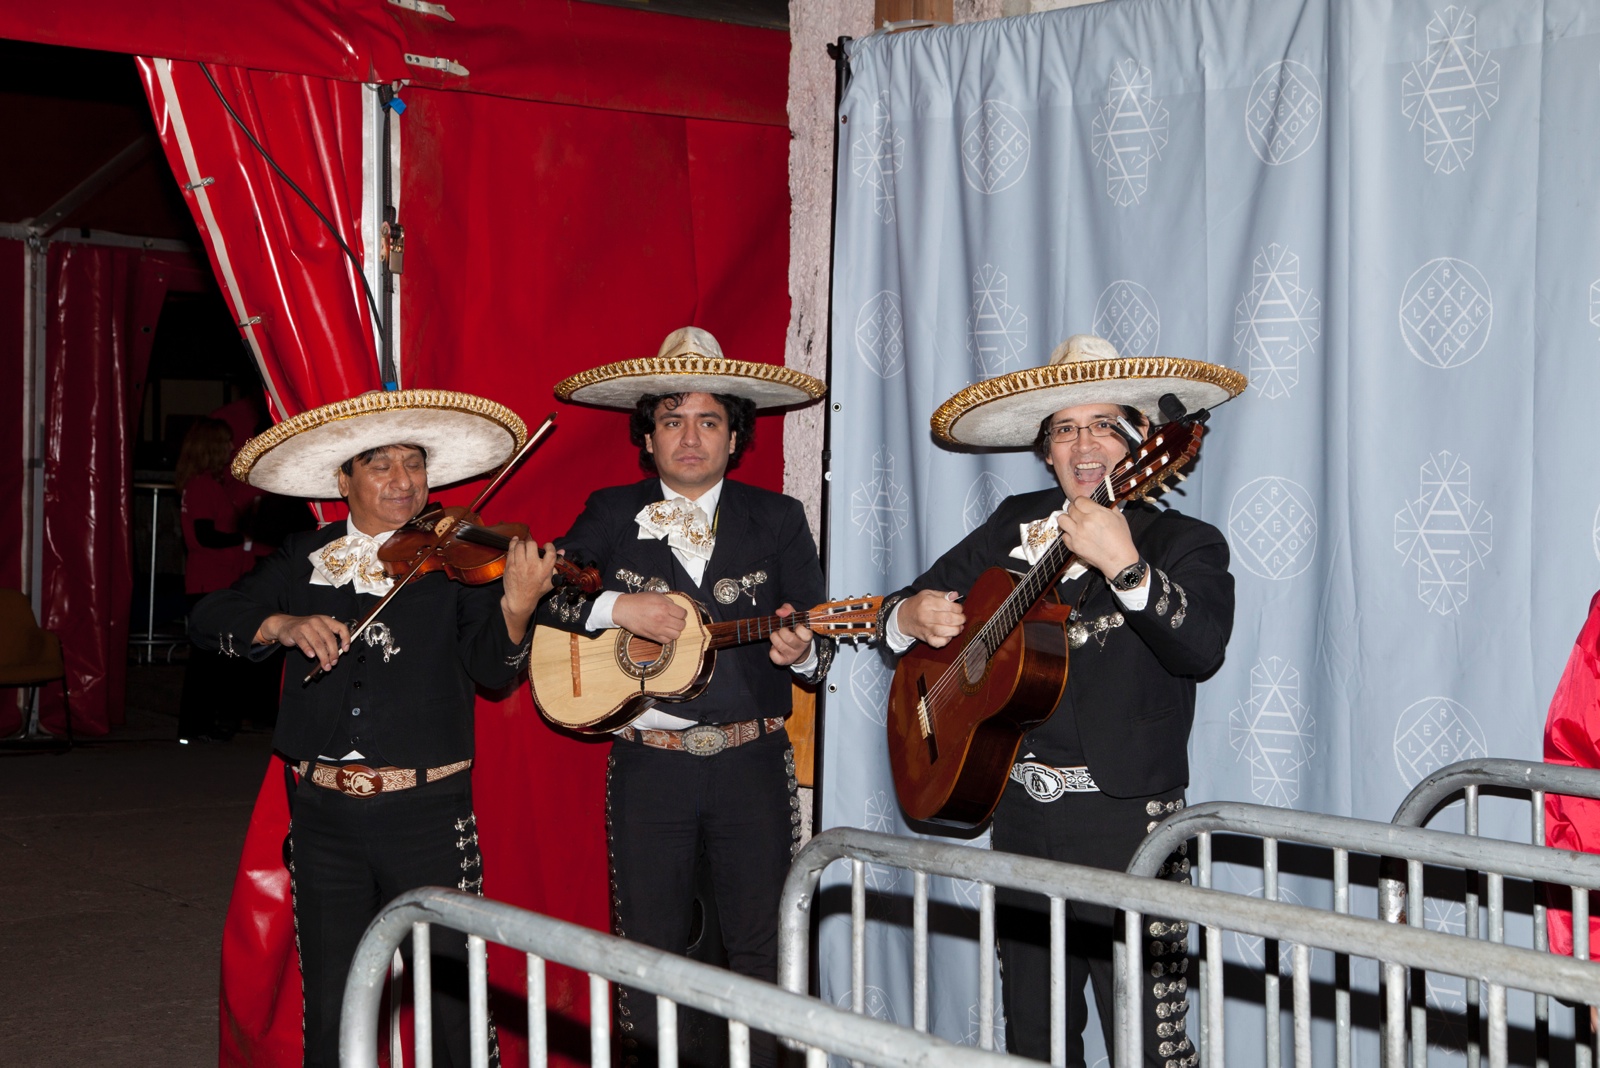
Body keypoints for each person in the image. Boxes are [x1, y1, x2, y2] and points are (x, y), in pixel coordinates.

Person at [878, 334, 1246, 1067]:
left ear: (1140, 442)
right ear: (1045, 451)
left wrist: (1128, 567)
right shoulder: (1013, 524)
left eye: (1105, 425)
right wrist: (907, 617)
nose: (1085, 444)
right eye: (1065, 429)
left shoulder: (1184, 541)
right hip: (1017, 813)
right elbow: (910, 605)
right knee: (1035, 1039)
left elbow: (1201, 648)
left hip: (1129, 825)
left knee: (1148, 1041)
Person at [190, 389, 558, 1068]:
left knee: (453, 1005)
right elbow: (210, 614)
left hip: (426, 811)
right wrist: (280, 623)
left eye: (414, 463)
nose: (403, 480)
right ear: (344, 480)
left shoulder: (460, 559)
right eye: (380, 465)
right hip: (324, 813)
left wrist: (517, 609)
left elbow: (492, 671)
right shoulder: (304, 556)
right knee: (332, 1004)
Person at [544, 327, 831, 1068]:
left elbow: (818, 630)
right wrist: (618, 610)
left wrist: (803, 653)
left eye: (709, 420)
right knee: (646, 943)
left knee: (762, 942)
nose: (691, 436)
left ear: (737, 436)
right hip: (651, 763)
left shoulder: (779, 518)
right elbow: (544, 597)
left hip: (750, 760)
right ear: (647, 437)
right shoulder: (611, 512)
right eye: (671, 419)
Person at [176, 417, 256, 742]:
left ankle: (207, 724)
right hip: (210, 583)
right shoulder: (201, 486)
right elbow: (205, 535)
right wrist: (243, 539)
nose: (230, 448)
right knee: (208, 661)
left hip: (217, 581)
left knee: (216, 659)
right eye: (224, 443)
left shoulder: (209, 484)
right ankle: (197, 727)